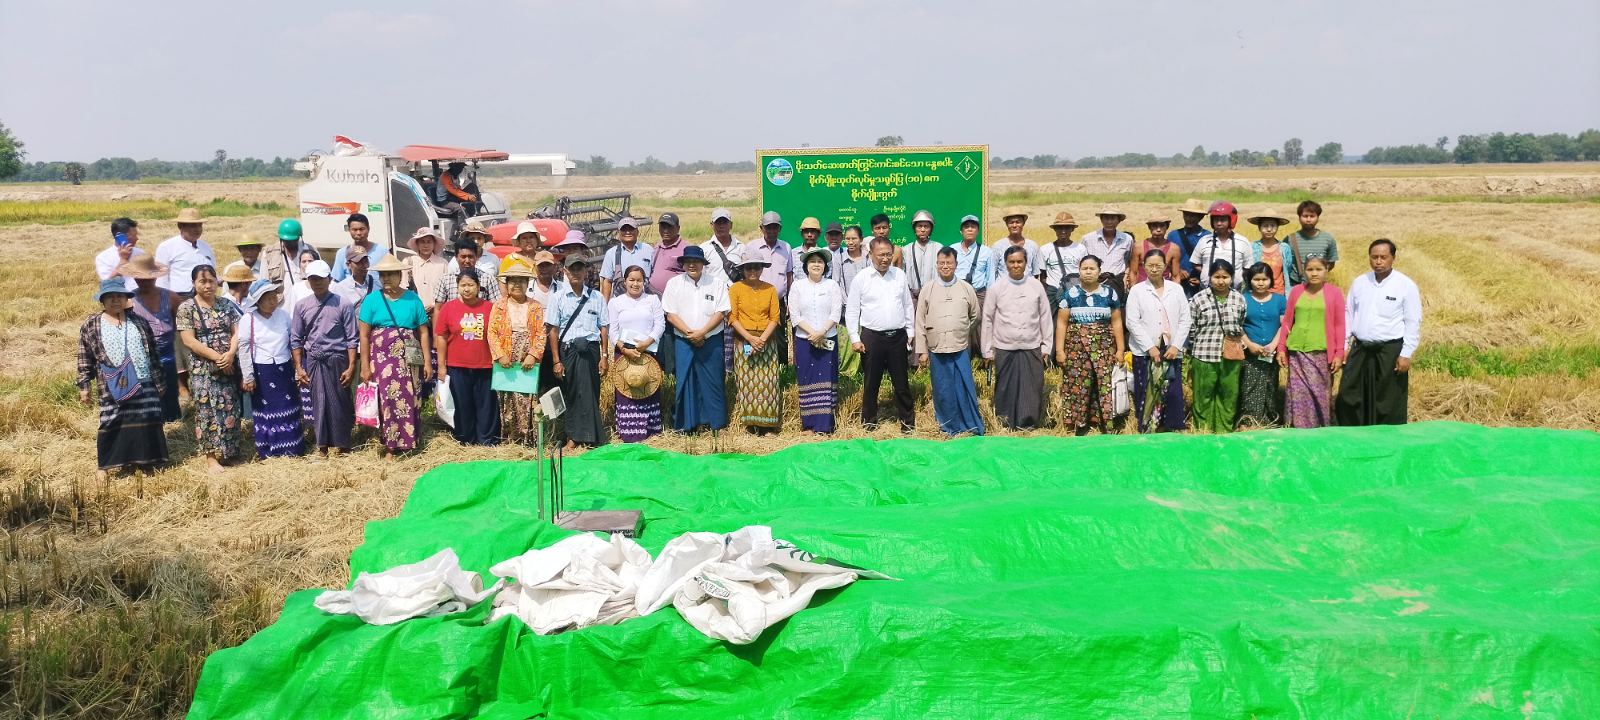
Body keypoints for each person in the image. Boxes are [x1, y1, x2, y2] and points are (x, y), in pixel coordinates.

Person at [78, 279, 170, 482]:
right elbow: (84, 357)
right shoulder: (91, 325)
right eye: (110, 297)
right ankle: (104, 466)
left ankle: (144, 462)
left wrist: (160, 381)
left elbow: (153, 354)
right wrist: (84, 386)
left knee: (145, 420)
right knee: (110, 421)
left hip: (144, 380)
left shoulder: (139, 322)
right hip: (111, 383)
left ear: (126, 299)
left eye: (119, 296)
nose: (116, 300)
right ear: (102, 300)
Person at [1336, 239, 1421, 426]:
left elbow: (1412, 321)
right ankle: (1354, 434)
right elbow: (1348, 314)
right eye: (1374, 257)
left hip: (1389, 350)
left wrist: (1406, 354)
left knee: (1387, 400)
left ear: (1393, 258)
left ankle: (1387, 437)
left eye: (1383, 257)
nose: (1378, 261)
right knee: (1349, 395)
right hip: (1360, 348)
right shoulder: (1360, 282)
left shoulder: (1405, 285)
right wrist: (1344, 346)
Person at [359, 254, 434, 456]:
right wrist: (365, 365)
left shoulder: (413, 299)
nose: (386, 278)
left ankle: (409, 443)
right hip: (381, 360)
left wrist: (427, 362)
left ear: (400, 275)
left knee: (410, 398)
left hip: (410, 359)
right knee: (387, 401)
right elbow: (364, 335)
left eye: (391, 274)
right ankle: (391, 447)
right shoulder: (371, 300)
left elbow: (423, 332)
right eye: (383, 275)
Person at [176, 265, 243, 472]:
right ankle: (211, 457)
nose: (207, 286)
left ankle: (230, 453)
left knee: (230, 407)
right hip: (202, 369)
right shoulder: (187, 308)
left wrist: (230, 355)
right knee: (207, 411)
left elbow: (237, 332)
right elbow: (189, 340)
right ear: (194, 283)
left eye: (211, 281)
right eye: (202, 281)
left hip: (228, 365)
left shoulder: (226, 304)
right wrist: (217, 358)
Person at [845, 236, 916, 432]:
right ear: (870, 254)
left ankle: (908, 423)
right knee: (871, 382)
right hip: (872, 337)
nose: (885, 259)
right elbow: (852, 310)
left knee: (901, 382)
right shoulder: (862, 278)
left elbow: (907, 304)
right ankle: (869, 422)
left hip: (898, 337)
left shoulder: (899, 275)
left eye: (888, 255)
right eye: (881, 255)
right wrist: (854, 337)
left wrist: (910, 330)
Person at [291, 260, 358, 457]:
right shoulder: (301, 306)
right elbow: (295, 338)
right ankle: (322, 446)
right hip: (314, 360)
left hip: (337, 359)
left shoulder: (343, 304)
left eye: (321, 278)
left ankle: (343, 444)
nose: (318, 283)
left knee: (340, 402)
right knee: (318, 402)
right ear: (308, 281)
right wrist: (299, 367)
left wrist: (351, 366)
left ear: (329, 279)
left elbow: (352, 338)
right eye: (313, 279)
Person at [915, 247, 984, 436]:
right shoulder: (928, 289)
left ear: (956, 264)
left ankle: (969, 424)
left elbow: (975, 316)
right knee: (943, 389)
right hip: (936, 347)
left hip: (959, 346)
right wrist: (922, 351)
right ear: (937, 265)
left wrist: (962, 331)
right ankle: (948, 426)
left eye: (949, 263)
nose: (945, 267)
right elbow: (920, 321)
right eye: (942, 263)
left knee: (964, 386)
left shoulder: (966, 288)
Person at [1055, 255, 1127, 435]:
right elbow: (1062, 323)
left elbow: (1117, 322)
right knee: (1077, 384)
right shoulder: (1070, 294)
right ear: (1079, 271)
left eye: (1092, 269)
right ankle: (1076, 425)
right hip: (1076, 348)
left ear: (1099, 272)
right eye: (1084, 268)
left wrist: (1120, 349)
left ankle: (1104, 423)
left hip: (1104, 348)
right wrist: (1059, 350)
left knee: (1103, 383)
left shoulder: (1109, 293)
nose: (1088, 272)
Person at [661, 246, 730, 433]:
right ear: (683, 264)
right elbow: (670, 314)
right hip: (684, 341)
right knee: (686, 380)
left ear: (703, 264)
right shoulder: (674, 284)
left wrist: (703, 332)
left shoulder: (716, 283)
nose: (692, 265)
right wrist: (690, 333)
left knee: (713, 381)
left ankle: (716, 424)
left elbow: (721, 312)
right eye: (688, 261)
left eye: (696, 261)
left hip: (711, 340)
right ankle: (688, 424)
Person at [983, 246, 1052, 430]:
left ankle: (1027, 425)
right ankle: (1005, 423)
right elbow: (988, 319)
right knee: (1005, 387)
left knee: (1032, 387)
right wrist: (987, 350)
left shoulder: (1036, 286)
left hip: (1031, 344)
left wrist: (1046, 346)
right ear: (1005, 264)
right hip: (1005, 345)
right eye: (1012, 262)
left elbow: (1045, 316)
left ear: (1026, 263)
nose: (1016, 265)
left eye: (1019, 261)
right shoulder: (997, 288)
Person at [545, 256, 609, 448]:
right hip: (569, 350)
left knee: (591, 393)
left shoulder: (597, 297)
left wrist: (604, 356)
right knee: (572, 393)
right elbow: (553, 330)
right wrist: (556, 361)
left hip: (591, 351)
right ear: (565, 271)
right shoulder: (557, 298)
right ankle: (572, 438)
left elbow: (604, 327)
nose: (576, 272)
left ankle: (592, 437)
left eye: (579, 268)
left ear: (586, 271)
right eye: (572, 269)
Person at [1125, 250, 1191, 433]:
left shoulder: (1176, 289)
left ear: (1165, 266)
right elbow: (1132, 322)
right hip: (1145, 352)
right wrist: (1150, 347)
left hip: (1171, 350)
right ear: (1143, 266)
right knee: (1146, 391)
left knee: (1173, 392)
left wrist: (1176, 345)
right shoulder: (1137, 291)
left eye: (1158, 265)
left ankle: (1173, 427)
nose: (1154, 269)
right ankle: (1148, 428)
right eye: (1150, 265)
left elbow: (1185, 319)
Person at [237, 279, 305, 458]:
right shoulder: (248, 319)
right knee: (267, 410)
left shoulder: (283, 315)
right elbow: (244, 348)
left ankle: (291, 448)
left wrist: (298, 366)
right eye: (268, 298)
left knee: (288, 405)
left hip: (284, 369)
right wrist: (248, 376)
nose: (272, 301)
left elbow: (293, 340)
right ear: (258, 301)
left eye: (274, 296)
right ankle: (270, 450)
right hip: (263, 371)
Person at [1277, 256, 1346, 429]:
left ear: (1326, 270)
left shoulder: (1334, 293)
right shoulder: (1296, 291)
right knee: (1298, 393)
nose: (1314, 273)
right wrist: (1281, 348)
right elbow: (1287, 322)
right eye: (1310, 269)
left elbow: (1339, 325)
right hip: (1297, 352)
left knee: (1319, 392)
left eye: (1318, 269)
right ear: (1304, 271)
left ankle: (1320, 427)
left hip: (1321, 352)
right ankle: (1297, 427)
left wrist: (1339, 353)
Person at [435, 269, 499, 446]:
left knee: (486, 406)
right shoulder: (448, 308)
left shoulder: (490, 308)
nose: (466, 289)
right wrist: (441, 366)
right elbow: (441, 337)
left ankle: (486, 440)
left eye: (470, 285)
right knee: (462, 405)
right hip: (457, 366)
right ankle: (465, 439)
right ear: (457, 287)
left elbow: (497, 334)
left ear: (478, 287)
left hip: (485, 366)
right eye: (462, 285)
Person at [488, 263, 547, 445]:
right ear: (506, 284)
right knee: (507, 398)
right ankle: (510, 439)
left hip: (527, 358)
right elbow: (492, 332)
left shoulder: (535, 306)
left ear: (527, 284)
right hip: (506, 357)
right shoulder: (499, 306)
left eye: (521, 281)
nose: (517, 285)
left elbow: (541, 333)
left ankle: (527, 439)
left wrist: (533, 355)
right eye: (513, 281)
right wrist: (500, 354)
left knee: (527, 397)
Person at [1188, 260, 1247, 434]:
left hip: (1231, 356)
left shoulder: (1239, 298)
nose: (1221, 281)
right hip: (1204, 354)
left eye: (1225, 277)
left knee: (1228, 395)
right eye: (1216, 277)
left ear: (1232, 278)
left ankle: (1224, 431)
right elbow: (1191, 327)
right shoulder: (1198, 299)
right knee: (1203, 396)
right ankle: (1203, 432)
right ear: (1209, 277)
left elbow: (1240, 323)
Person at [607, 265, 665, 442]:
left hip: (647, 352)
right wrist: (624, 349)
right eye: (631, 280)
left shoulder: (653, 300)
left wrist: (647, 342)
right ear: (625, 282)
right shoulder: (616, 302)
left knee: (646, 387)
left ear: (644, 282)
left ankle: (650, 430)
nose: (635, 284)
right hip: (624, 353)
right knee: (628, 390)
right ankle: (629, 433)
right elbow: (612, 330)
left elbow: (660, 324)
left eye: (639, 280)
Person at [789, 247, 843, 434]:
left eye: (820, 262)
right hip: (805, 340)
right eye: (812, 262)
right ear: (806, 265)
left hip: (828, 339)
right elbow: (795, 315)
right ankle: (809, 425)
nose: (816, 265)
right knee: (807, 380)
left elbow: (836, 312)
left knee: (827, 379)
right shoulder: (797, 286)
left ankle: (826, 426)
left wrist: (822, 332)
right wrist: (813, 333)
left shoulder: (832, 285)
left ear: (825, 266)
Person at [727, 254, 782, 434]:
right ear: (743, 270)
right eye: (749, 267)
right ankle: (751, 425)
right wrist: (750, 339)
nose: (753, 271)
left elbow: (775, 317)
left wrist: (762, 339)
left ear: (762, 269)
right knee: (747, 382)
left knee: (768, 383)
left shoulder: (770, 289)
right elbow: (732, 317)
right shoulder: (735, 289)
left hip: (767, 340)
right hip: (744, 340)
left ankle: (768, 426)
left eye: (757, 267)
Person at [125, 254, 182, 421]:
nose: (143, 282)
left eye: (147, 279)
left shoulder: (171, 297)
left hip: (168, 353)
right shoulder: (129, 301)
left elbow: (180, 326)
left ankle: (172, 419)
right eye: (139, 279)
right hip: (142, 356)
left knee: (170, 391)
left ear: (155, 277)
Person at [1237, 263, 1287, 428]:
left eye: (1264, 279)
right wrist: (1250, 344)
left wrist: (1273, 345)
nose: (1260, 283)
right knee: (1249, 387)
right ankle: (1249, 422)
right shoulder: (1242, 299)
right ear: (1250, 280)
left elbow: (1284, 325)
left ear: (1271, 280)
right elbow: (1237, 325)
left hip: (1271, 353)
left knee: (1270, 386)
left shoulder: (1280, 300)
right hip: (1250, 353)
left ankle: (1269, 421)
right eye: (1256, 279)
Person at [746, 211, 795, 365]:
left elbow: (789, 275)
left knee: (780, 338)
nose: (772, 231)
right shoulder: (752, 246)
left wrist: (790, 301)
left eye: (775, 227)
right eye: (768, 227)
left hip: (778, 302)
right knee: (754, 333)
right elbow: (745, 274)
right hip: (755, 301)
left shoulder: (786, 247)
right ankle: (751, 366)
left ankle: (781, 370)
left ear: (780, 229)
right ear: (761, 228)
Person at [1190, 201, 1253, 290]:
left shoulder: (1243, 242)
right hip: (1207, 291)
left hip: (1233, 292)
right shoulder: (1204, 240)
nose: (1219, 223)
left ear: (1231, 220)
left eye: (1223, 220)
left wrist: (1235, 276)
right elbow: (1196, 263)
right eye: (1216, 220)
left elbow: (1247, 267)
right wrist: (1208, 273)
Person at [154, 207, 216, 296]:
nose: (197, 229)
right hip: (179, 297)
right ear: (180, 226)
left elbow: (212, 272)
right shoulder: (167, 247)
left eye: (199, 225)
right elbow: (161, 279)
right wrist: (165, 299)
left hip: (204, 296)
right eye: (193, 226)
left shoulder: (206, 247)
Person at [1081, 204, 1134, 298]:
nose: (1109, 222)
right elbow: (1082, 263)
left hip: (1117, 283)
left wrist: (1126, 275)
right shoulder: (1088, 239)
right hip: (1094, 283)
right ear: (1101, 219)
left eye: (1113, 218)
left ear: (1119, 220)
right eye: (1106, 218)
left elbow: (1129, 261)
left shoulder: (1127, 239)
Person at [1040, 212, 1086, 313]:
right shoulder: (1045, 249)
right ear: (1054, 229)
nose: (1063, 231)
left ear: (1072, 229)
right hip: (1053, 292)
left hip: (1075, 292)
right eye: (1059, 228)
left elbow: (1084, 272)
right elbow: (1043, 275)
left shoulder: (1080, 249)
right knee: (1051, 320)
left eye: (1067, 228)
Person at [434, 240, 502, 308]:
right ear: (456, 258)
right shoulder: (446, 280)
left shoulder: (488, 279)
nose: (467, 261)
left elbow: (497, 306)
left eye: (470, 257)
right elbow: (438, 308)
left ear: (476, 257)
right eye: (463, 257)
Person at [1285, 200, 1339, 285]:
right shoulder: (1290, 239)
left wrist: (1317, 274)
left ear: (1318, 217)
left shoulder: (1328, 239)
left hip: (1319, 285)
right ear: (1299, 217)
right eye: (1305, 216)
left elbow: (1331, 263)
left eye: (1312, 216)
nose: (1308, 219)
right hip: (1295, 284)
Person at [1127, 211, 1184, 289]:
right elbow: (1133, 272)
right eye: (1154, 226)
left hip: (1164, 290)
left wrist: (1175, 292)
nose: (1158, 229)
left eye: (1162, 226)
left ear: (1167, 227)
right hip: (1142, 290)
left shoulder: (1174, 249)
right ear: (1149, 227)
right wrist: (1133, 290)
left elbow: (1176, 276)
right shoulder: (1138, 247)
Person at [600, 217, 653, 299]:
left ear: (637, 231)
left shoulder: (648, 250)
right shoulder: (611, 253)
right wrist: (605, 304)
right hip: (621, 302)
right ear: (618, 232)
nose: (627, 232)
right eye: (624, 229)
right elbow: (607, 282)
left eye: (631, 229)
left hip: (645, 300)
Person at [1172, 199, 1214, 297]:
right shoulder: (1173, 235)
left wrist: (1202, 279)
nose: (1189, 218)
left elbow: (1211, 262)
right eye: (1186, 215)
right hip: (1177, 284)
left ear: (1201, 217)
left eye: (1193, 215)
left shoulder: (1208, 237)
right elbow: (1165, 260)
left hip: (1201, 287)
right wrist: (1178, 271)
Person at [329, 214, 387, 283]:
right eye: (355, 230)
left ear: (368, 229)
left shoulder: (382, 251)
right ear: (349, 230)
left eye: (362, 229)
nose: (358, 233)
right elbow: (337, 280)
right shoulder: (342, 253)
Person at [404, 227, 449, 316]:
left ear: (434, 244)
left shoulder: (442, 264)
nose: (426, 245)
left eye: (429, 242)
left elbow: (447, 290)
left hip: (437, 313)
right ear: (417, 244)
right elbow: (403, 289)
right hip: (414, 313)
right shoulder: (408, 262)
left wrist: (434, 305)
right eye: (422, 242)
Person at [1248, 209, 1294, 294]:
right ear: (1259, 227)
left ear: (1277, 227)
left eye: (1273, 226)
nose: (1269, 229)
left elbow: (1287, 269)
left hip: (1279, 293)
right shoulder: (1252, 247)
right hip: (1257, 294)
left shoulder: (1284, 248)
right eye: (1265, 226)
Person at [95, 217, 145, 292]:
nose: (137, 238)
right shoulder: (103, 258)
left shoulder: (140, 253)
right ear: (121, 237)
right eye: (134, 235)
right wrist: (123, 260)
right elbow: (107, 284)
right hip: (120, 298)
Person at [901, 210, 943, 300]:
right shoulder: (906, 249)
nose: (923, 230)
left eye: (926, 226)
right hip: (912, 296)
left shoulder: (939, 248)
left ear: (931, 229)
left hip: (934, 295)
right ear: (914, 228)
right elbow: (902, 273)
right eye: (919, 226)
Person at [262, 219, 317, 285]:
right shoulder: (269, 254)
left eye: (293, 240)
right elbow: (263, 281)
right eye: (287, 241)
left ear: (299, 237)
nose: (290, 243)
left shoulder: (311, 250)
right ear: (281, 238)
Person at [990, 209, 1040, 280]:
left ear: (1023, 223)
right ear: (1007, 224)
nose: (1014, 225)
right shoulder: (997, 246)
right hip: (1004, 286)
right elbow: (992, 272)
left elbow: (1036, 273)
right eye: (1011, 222)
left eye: (1018, 222)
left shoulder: (1033, 246)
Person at [698, 209, 743, 286]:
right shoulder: (703, 249)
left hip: (736, 292)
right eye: (718, 223)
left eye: (725, 222)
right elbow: (700, 275)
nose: (721, 226)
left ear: (731, 225)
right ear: (711, 225)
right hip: (712, 292)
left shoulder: (741, 248)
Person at [649, 213, 689, 295]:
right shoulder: (657, 247)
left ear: (678, 228)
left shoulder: (686, 249)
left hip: (674, 297)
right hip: (653, 295)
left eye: (669, 227)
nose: (665, 230)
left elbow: (693, 274)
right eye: (663, 227)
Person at [283, 247, 322, 313]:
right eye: (304, 262)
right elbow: (292, 311)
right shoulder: (297, 288)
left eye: (310, 261)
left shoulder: (326, 285)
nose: (307, 264)